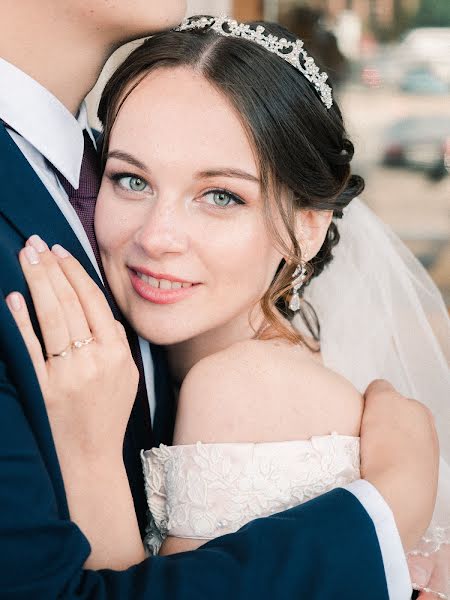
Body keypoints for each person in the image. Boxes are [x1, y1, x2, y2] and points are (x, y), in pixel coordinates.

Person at [2, 11, 445, 599]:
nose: (158, 236)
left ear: (307, 228)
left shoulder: (239, 386)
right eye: (131, 180)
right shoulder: (220, 365)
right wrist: (390, 499)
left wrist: (90, 456)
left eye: (220, 196)